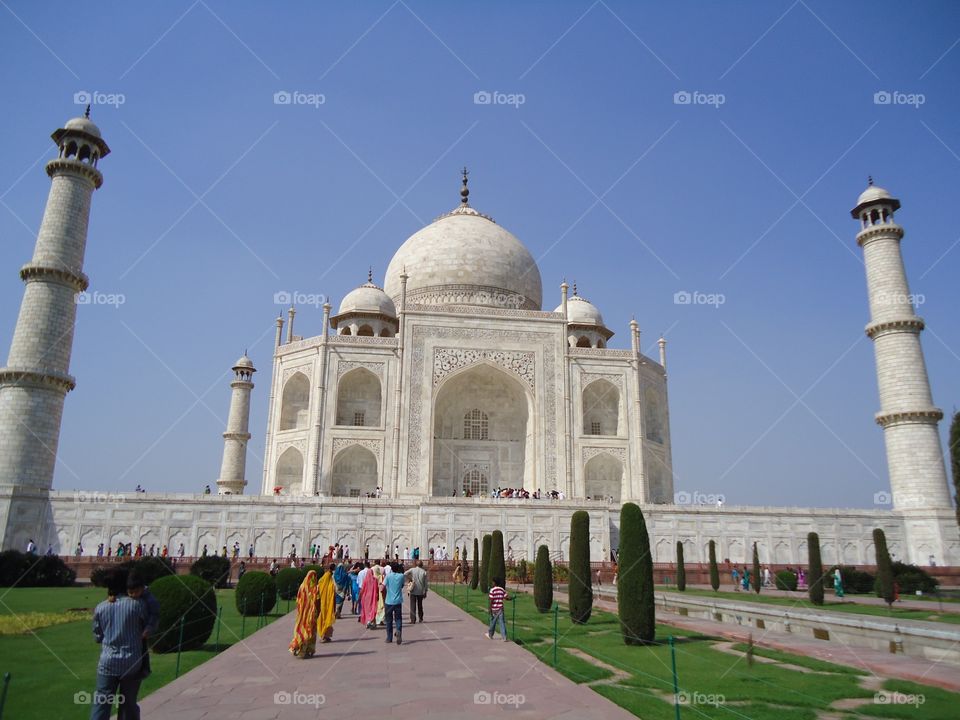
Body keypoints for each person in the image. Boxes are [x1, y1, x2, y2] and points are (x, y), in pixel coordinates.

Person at [89, 568, 147, 720]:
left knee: (101, 703)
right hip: (132, 661)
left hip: (108, 661)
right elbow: (146, 626)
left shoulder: (101, 607)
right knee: (128, 704)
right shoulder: (137, 605)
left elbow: (97, 637)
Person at [289, 570, 320, 658]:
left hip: (302, 614)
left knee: (301, 630)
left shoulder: (302, 587)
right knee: (309, 632)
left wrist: (301, 610)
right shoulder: (315, 589)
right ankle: (304, 651)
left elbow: (298, 600)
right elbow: (317, 601)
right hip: (311, 614)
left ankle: (298, 647)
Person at [383, 561, 405, 644]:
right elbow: (402, 585)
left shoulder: (388, 576)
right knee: (398, 618)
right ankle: (398, 631)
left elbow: (382, 587)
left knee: (389, 620)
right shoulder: (401, 576)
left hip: (389, 601)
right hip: (398, 601)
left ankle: (389, 638)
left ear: (391, 568)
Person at [317, 564, 337, 642]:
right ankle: (323, 636)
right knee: (326, 618)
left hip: (325, 603)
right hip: (326, 604)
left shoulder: (324, 580)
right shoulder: (329, 581)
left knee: (325, 619)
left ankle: (325, 636)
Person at [486, 576, 510, 641]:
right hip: (500, 609)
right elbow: (507, 597)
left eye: (492, 582)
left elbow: (491, 600)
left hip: (494, 609)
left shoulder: (492, 590)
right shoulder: (502, 589)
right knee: (502, 622)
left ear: (494, 582)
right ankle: (504, 637)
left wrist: (489, 608)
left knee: (493, 622)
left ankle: (490, 634)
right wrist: (511, 598)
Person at [405, 560, 428, 624]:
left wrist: (410, 578)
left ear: (416, 565)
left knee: (412, 605)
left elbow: (405, 574)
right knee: (420, 605)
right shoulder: (424, 572)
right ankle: (420, 618)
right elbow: (426, 583)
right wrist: (425, 591)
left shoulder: (412, 570)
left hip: (413, 590)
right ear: (422, 565)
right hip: (420, 591)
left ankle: (413, 619)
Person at [359, 562, 378, 629]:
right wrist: (377, 595)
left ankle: (368, 622)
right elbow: (377, 589)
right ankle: (372, 621)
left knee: (367, 609)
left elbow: (362, 589)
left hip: (366, 597)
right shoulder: (375, 580)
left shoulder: (365, 580)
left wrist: (360, 595)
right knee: (373, 609)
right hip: (372, 596)